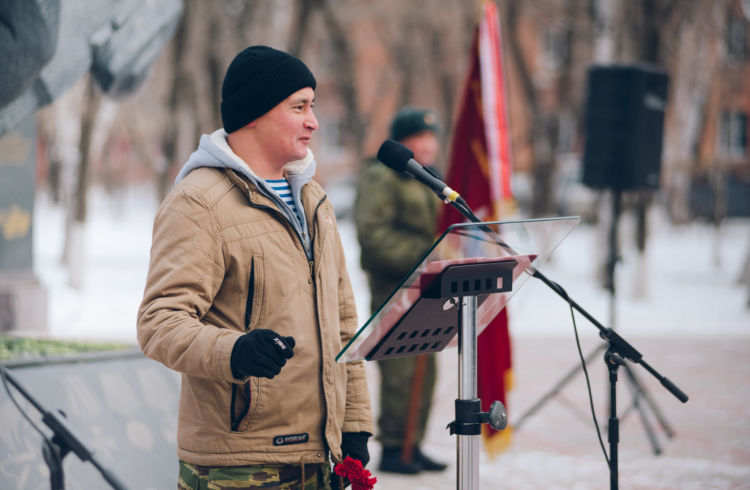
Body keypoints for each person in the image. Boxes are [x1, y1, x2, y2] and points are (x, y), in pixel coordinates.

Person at [137, 45, 374, 489]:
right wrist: (235, 351)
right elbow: (158, 322)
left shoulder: (314, 201)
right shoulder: (200, 203)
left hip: (321, 456)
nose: (313, 121)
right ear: (255, 114)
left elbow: (343, 326)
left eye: (313, 106)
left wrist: (355, 425)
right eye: (298, 107)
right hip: (239, 466)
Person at [353, 107, 448, 475]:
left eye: (432, 137)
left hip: (425, 287)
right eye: (419, 138)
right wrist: (427, 254)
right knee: (401, 370)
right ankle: (394, 447)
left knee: (426, 370)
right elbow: (373, 237)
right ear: (401, 142)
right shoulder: (383, 177)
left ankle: (413, 441)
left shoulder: (423, 178)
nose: (428, 144)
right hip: (395, 287)